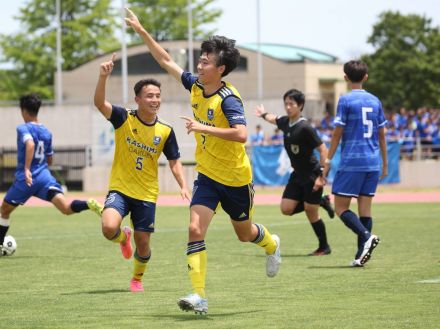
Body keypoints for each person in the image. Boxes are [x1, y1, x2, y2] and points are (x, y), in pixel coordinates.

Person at [125, 8, 281, 315]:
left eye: (206, 61)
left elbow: (241, 135)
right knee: (195, 228)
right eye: (201, 58)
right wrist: (142, 31)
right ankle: (199, 296)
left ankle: (272, 244)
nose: (200, 63)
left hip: (236, 178)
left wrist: (202, 128)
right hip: (207, 175)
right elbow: (166, 61)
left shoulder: (229, 99)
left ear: (220, 69)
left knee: (244, 233)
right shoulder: (196, 84)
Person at [93, 54, 190, 292]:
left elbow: (175, 161)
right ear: (138, 99)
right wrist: (103, 76)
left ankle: (137, 278)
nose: (155, 99)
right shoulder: (123, 117)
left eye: (158, 96)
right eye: (149, 96)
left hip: (146, 194)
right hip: (121, 188)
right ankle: (121, 238)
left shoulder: (165, 130)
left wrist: (183, 185)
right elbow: (99, 104)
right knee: (108, 228)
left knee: (144, 243)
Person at [0, 94, 103, 254]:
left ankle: (0, 244)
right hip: (44, 177)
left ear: (23, 110)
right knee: (66, 208)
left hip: (26, 179)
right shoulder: (46, 132)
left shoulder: (23, 128)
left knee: (4, 210)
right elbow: (49, 159)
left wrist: (27, 169)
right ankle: (88, 204)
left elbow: (30, 144)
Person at [255, 89, 334, 256]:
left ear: (300, 106)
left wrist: (321, 176)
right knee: (286, 209)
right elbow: (273, 119)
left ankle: (324, 246)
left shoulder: (305, 127)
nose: (288, 107)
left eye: (292, 104)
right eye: (286, 103)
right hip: (297, 175)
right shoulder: (285, 122)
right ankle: (321, 201)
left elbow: (323, 150)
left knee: (310, 211)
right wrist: (263, 114)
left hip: (312, 174)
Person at [323, 60, 387, 267]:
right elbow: (382, 134)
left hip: (352, 161)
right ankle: (361, 255)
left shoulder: (345, 101)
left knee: (340, 207)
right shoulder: (375, 101)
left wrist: (329, 159)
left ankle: (366, 237)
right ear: (366, 77)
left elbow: (337, 133)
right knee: (365, 210)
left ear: (345, 78)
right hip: (372, 162)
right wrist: (385, 163)